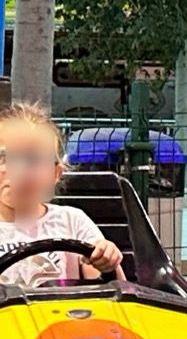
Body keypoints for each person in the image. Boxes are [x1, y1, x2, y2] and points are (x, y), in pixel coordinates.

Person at [0, 103, 123, 287]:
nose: (22, 171)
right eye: (6, 158)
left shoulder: (72, 221)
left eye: (35, 160)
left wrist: (106, 259)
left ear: (56, 174)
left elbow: (111, 289)